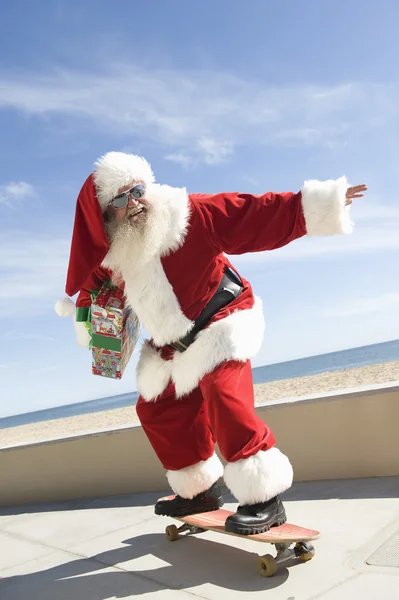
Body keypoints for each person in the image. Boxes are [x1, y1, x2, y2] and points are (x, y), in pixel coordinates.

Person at [56, 151, 367, 535]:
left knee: (223, 397)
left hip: (221, 323)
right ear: (105, 215)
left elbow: (252, 214)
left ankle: (265, 499)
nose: (134, 202)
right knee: (157, 408)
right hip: (174, 344)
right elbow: (92, 285)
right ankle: (200, 491)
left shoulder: (188, 214)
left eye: (137, 190)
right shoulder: (115, 255)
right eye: (120, 199)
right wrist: (82, 313)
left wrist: (318, 204)